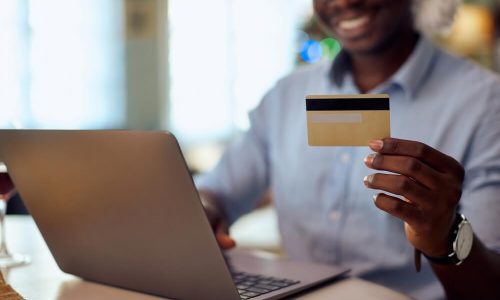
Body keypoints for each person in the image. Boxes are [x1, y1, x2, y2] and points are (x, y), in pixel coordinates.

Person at [196, 0, 500, 299]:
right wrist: (202, 213)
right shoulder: (284, 96)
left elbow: (491, 284)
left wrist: (444, 238)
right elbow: (218, 191)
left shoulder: (486, 104)